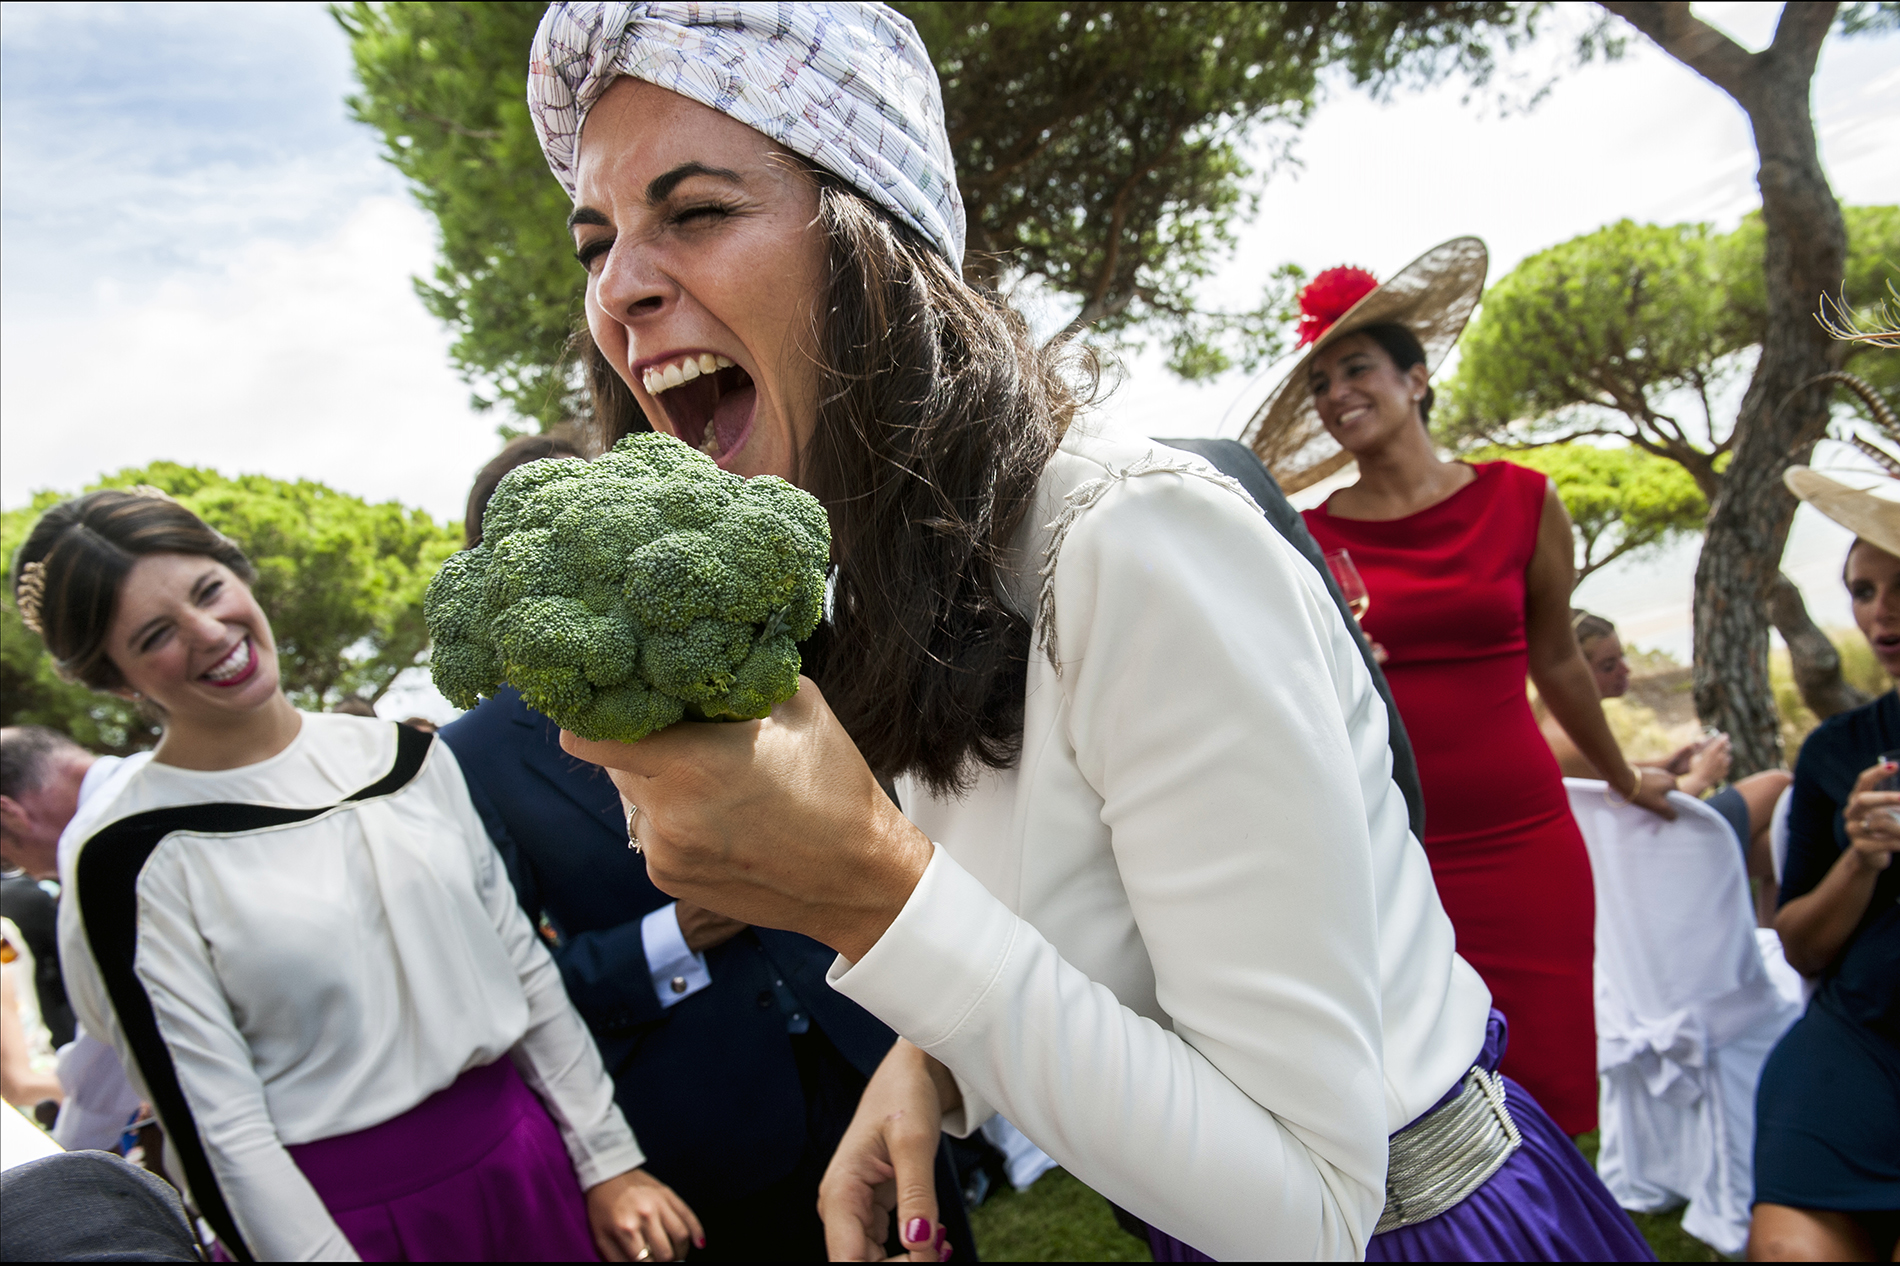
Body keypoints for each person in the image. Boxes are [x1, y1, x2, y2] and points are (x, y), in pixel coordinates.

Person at [521, 5, 1652, 1260]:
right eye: (598, 240)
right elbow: (1082, 916)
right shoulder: (893, 582)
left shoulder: (1135, 541)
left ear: (875, 244)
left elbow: (1314, 1214)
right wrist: (932, 1061)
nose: (619, 289)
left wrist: (872, 904)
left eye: (696, 211)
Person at [10, 488, 699, 1262]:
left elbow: (524, 971)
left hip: (530, 1165)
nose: (210, 634)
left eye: (209, 591)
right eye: (157, 634)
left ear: (238, 575)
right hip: (343, 1226)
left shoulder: (407, 758)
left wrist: (609, 1162)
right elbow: (219, 1128)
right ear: (117, 678)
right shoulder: (124, 857)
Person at [440, 437, 976, 1260]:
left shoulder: (730, 625)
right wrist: (673, 935)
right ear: (499, 575)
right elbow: (508, 975)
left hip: (867, 1042)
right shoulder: (471, 757)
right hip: (712, 1115)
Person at [1282, 248, 1675, 1137]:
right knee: (1437, 1099)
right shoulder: (1306, 538)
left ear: (1416, 378)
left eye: (1357, 368)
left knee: (1553, 1081)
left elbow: (1560, 662)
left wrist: (1623, 777)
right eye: (1319, 382)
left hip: (1525, 838)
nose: (1337, 392)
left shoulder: (1523, 501)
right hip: (1392, 849)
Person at [1746, 466, 1900, 1262]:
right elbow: (1800, 946)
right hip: (1863, 1043)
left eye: (1899, 583)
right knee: (1788, 1252)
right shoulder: (1839, 750)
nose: (1881, 612)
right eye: (1863, 590)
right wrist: (1861, 861)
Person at [1544, 611, 1791, 922]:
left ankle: (1774, 945)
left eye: (1622, 656)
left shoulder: (1550, 727)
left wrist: (1666, 765)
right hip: (1649, 856)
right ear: (1573, 670)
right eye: (1608, 666)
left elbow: (1606, 781)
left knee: (1778, 846)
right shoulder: (1573, 737)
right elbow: (1642, 810)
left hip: (1628, 856)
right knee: (1779, 786)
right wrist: (1702, 776)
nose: (1625, 669)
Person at [2, 724, 126, 1052]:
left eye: (5, 858)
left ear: (8, 813)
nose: (30, 873)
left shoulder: (106, 848)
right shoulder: (179, 776)